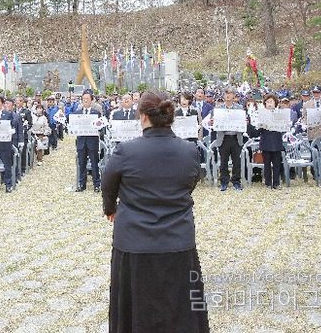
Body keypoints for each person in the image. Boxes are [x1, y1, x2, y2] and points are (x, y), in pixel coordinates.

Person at [102, 91, 209, 333]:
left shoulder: (126, 151)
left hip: (135, 240)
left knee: (135, 305)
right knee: (179, 305)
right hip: (177, 238)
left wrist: (110, 209)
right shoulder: (189, 150)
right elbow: (190, 183)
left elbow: (108, 186)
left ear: (143, 117)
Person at [210, 88, 245, 191]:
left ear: (234, 95)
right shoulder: (218, 109)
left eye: (230, 93)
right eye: (226, 93)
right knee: (223, 161)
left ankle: (236, 181)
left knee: (236, 161)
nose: (228, 95)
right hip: (223, 137)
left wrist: (244, 122)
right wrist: (212, 122)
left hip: (236, 137)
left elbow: (244, 121)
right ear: (223, 95)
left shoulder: (239, 108)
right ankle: (224, 182)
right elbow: (212, 122)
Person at [248, 94, 285, 189]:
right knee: (267, 164)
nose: (269, 104)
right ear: (264, 104)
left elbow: (284, 128)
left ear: (275, 103)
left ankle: (276, 183)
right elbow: (256, 132)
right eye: (267, 102)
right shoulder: (261, 115)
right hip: (266, 142)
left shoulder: (280, 114)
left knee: (277, 164)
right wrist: (256, 125)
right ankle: (268, 183)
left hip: (277, 142)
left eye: (271, 102)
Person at [73, 90, 102, 192]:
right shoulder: (77, 113)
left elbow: (101, 127)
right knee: (82, 163)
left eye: (87, 99)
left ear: (91, 100)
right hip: (81, 141)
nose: (85, 101)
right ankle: (82, 184)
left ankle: (96, 184)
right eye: (83, 99)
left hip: (92, 141)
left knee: (94, 163)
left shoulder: (96, 113)